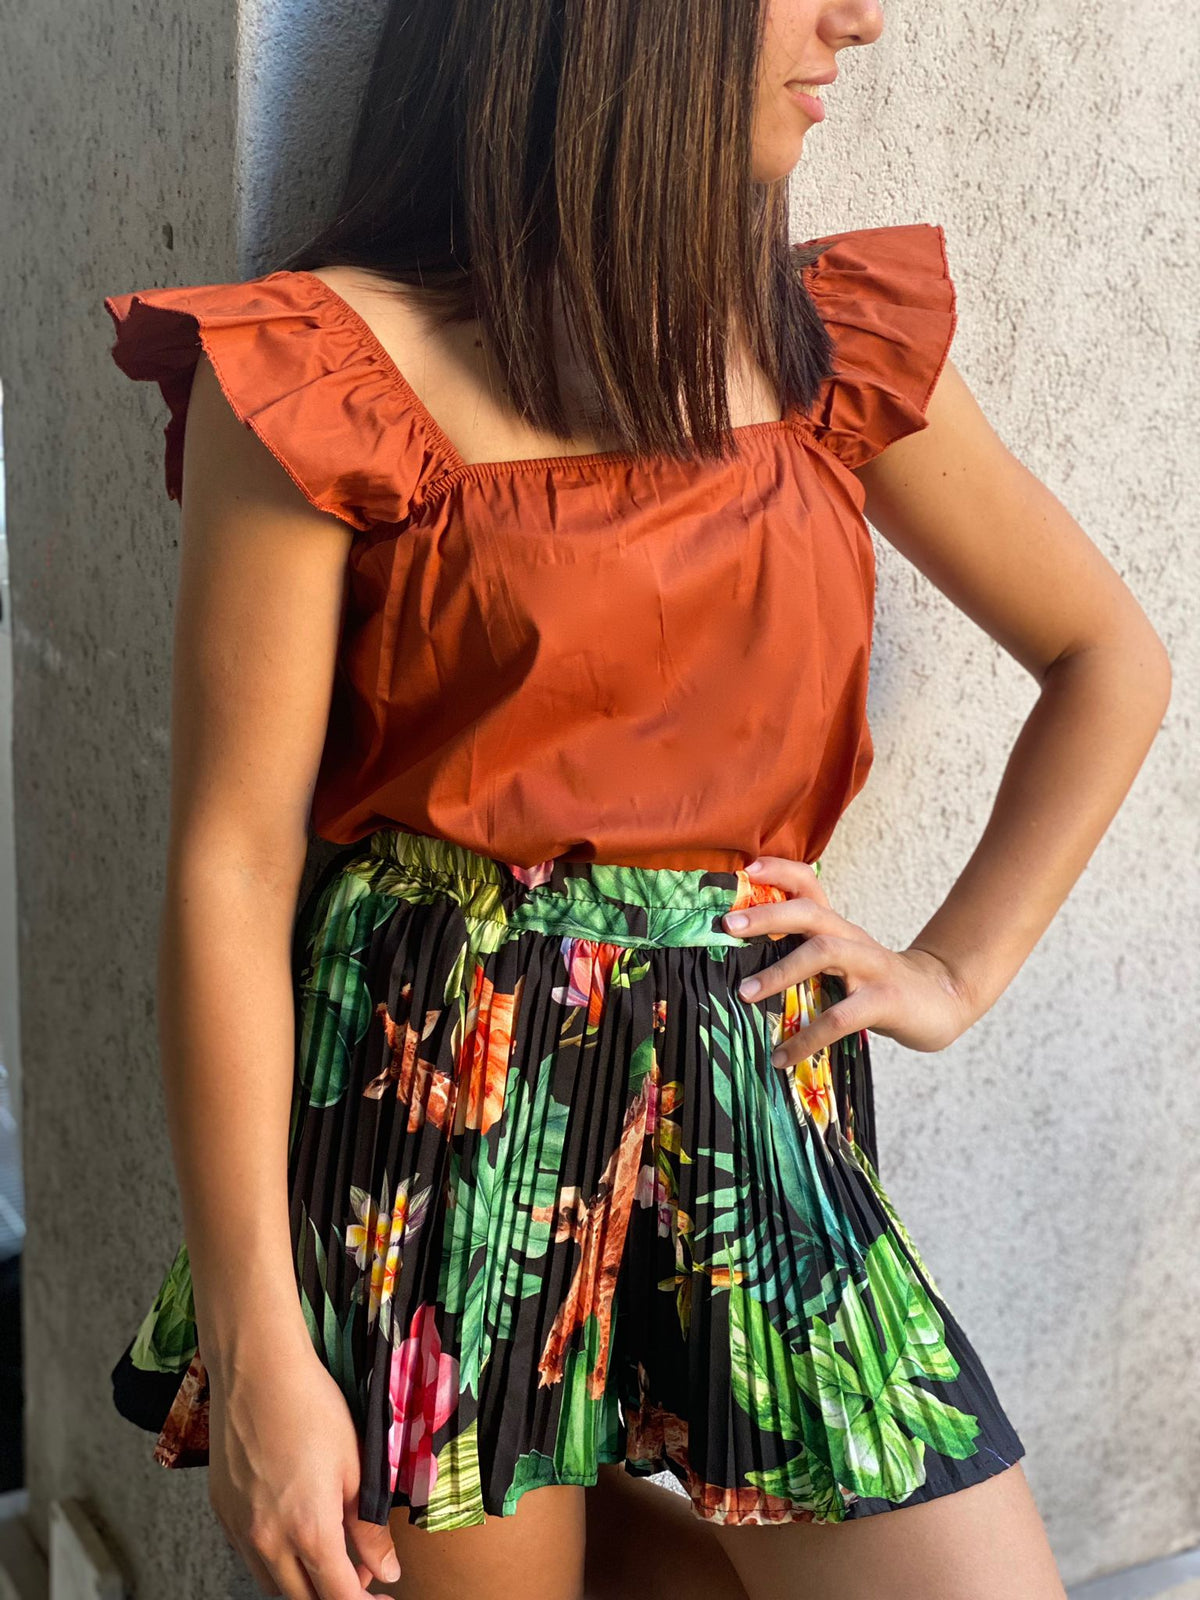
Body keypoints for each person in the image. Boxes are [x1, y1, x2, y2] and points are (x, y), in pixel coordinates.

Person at [100, 0, 1171, 1596]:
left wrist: (952, 969)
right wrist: (262, 1345)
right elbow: (231, 874)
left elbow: (1106, 658)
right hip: (438, 1135)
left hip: (746, 1107)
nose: (860, 19)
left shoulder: (822, 347)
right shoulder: (327, 370)